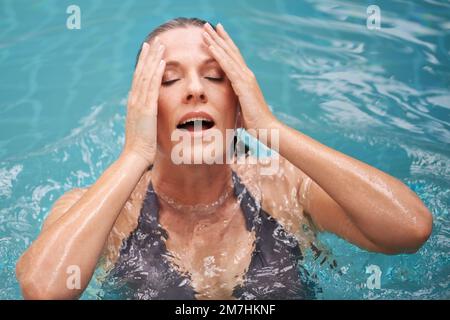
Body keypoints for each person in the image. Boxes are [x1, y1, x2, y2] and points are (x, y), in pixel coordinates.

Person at [16, 17, 433, 300]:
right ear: (143, 107)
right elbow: (44, 289)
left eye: (215, 76)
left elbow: (410, 229)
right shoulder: (102, 212)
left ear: (237, 103)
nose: (196, 90)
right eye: (169, 79)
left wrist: (272, 128)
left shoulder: (286, 188)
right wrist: (134, 153)